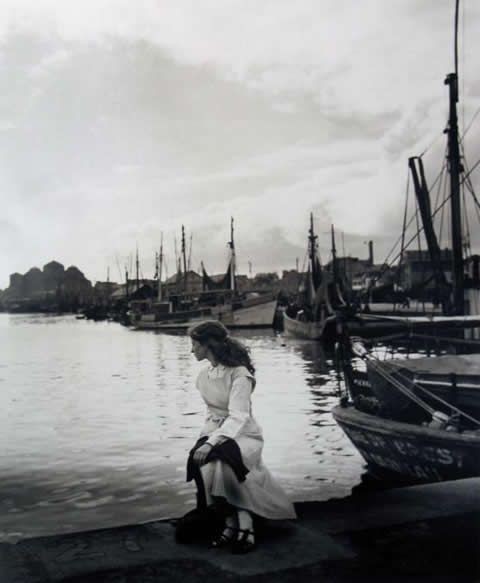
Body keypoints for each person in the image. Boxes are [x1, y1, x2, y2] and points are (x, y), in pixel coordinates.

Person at [186, 320, 296, 553]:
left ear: (208, 345)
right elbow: (212, 413)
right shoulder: (203, 376)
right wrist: (205, 439)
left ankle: (245, 527)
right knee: (202, 461)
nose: (192, 349)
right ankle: (229, 523)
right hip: (217, 430)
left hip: (244, 434)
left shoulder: (240, 375)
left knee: (224, 464)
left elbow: (238, 416)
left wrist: (212, 443)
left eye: (195, 344)